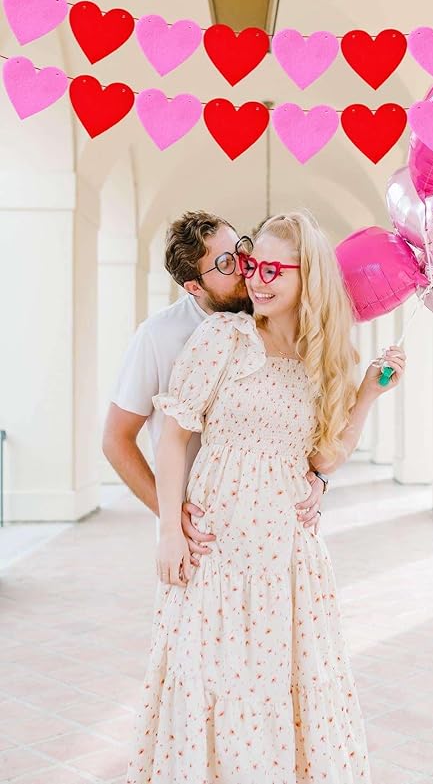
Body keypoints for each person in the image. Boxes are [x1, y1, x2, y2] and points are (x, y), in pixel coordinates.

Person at [124, 209, 406, 783]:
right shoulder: (223, 337)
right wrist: (169, 530)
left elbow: (323, 458)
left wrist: (368, 395)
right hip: (217, 548)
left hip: (286, 554)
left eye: (276, 268)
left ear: (310, 278)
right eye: (255, 266)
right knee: (209, 677)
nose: (259, 279)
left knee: (282, 683)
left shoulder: (322, 359)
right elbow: (174, 435)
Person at [103, 210, 324, 570]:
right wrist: (171, 518)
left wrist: (321, 480)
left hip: (271, 530)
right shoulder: (158, 335)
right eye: (225, 263)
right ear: (194, 286)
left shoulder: (273, 316)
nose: (243, 267)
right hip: (201, 535)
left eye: (241, 249)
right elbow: (116, 439)